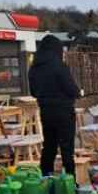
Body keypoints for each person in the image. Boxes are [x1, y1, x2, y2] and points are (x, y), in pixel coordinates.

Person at [28, 34, 80, 176]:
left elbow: (33, 92)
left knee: (49, 146)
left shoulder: (34, 68)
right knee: (66, 147)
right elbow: (71, 88)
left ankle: (46, 178)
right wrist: (77, 93)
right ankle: (69, 180)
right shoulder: (59, 66)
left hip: (45, 111)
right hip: (63, 111)